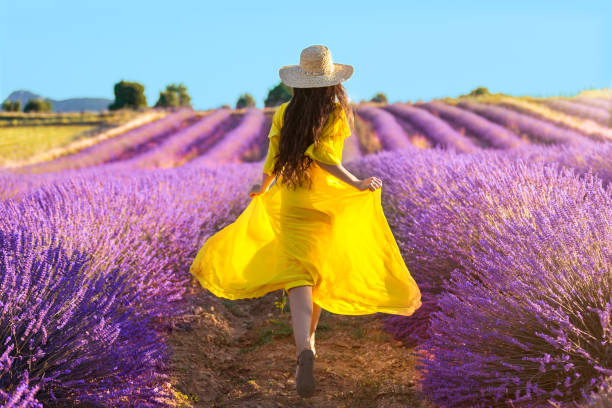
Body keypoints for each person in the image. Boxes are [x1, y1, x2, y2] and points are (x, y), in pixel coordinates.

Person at [189, 45, 422, 398]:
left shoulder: (285, 112)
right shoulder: (336, 112)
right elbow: (325, 157)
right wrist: (356, 183)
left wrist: (262, 186)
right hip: (323, 200)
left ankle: (303, 350)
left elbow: (275, 156)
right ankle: (309, 346)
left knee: (298, 277)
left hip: (291, 199)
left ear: (299, 82)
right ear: (332, 81)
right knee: (315, 275)